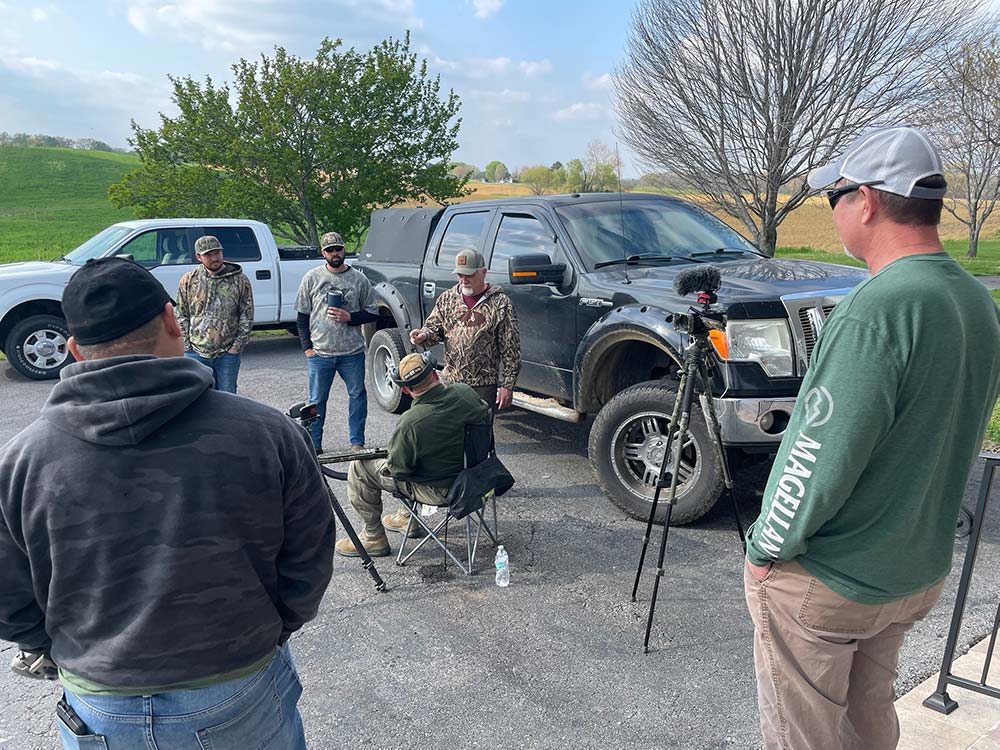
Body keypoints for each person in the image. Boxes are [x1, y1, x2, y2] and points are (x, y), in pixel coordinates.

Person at [0, 257, 335, 749]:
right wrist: (270, 630)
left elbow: (8, 598)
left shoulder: (20, 462)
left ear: (73, 349)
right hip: (236, 685)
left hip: (99, 703)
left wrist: (61, 650)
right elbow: (310, 556)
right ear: (172, 321)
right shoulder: (269, 434)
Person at [743, 126, 1000, 750]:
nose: (831, 211)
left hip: (833, 577)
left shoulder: (877, 308)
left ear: (866, 200)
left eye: (832, 197)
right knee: (868, 720)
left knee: (803, 736)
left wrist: (768, 546)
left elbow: (818, 451)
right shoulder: (975, 300)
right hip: (913, 570)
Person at [335, 352, 490, 556]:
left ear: (405, 390)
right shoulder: (466, 392)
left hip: (440, 490)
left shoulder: (411, 422)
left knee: (360, 466)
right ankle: (405, 517)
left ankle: (373, 537)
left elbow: (399, 470)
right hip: (477, 479)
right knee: (414, 456)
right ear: (434, 374)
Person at [295, 231, 378, 453]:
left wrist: (350, 317)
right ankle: (314, 446)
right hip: (320, 353)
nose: (335, 253)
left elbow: (373, 312)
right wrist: (307, 348)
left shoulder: (359, 279)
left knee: (357, 396)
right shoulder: (312, 277)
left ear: (344, 250)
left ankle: (357, 443)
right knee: (316, 401)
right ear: (323, 253)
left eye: (338, 249)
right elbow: (302, 317)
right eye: (329, 250)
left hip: (352, 352)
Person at [409, 248, 521, 412]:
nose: (463, 280)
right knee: (450, 427)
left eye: (469, 275)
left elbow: (511, 348)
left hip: (483, 386)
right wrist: (422, 336)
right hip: (451, 382)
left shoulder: (501, 303)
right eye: (460, 275)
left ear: (483, 272)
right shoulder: (447, 298)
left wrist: (507, 385)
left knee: (479, 427)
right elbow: (434, 329)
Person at [175, 234, 254, 393]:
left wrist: (236, 347)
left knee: (227, 397)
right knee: (199, 396)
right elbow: (181, 314)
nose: (214, 258)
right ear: (198, 257)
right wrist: (188, 346)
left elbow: (247, 315)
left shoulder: (240, 280)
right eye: (208, 255)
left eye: (217, 253)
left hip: (227, 354)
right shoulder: (189, 280)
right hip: (196, 353)